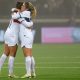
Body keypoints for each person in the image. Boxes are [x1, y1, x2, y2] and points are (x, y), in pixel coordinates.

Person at [0, 2, 23, 78]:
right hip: (13, 35)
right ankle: (10, 73)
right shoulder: (18, 14)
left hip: (7, 33)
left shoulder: (16, 12)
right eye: (23, 6)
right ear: (21, 7)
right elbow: (16, 17)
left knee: (5, 53)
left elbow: (13, 12)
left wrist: (15, 9)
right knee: (12, 54)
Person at [19, 2, 37, 78]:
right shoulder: (27, 13)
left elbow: (16, 15)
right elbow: (29, 23)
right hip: (28, 35)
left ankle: (28, 73)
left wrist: (20, 18)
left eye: (23, 5)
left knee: (27, 55)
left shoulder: (25, 12)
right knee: (30, 54)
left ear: (26, 7)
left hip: (25, 36)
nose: (21, 6)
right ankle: (33, 72)